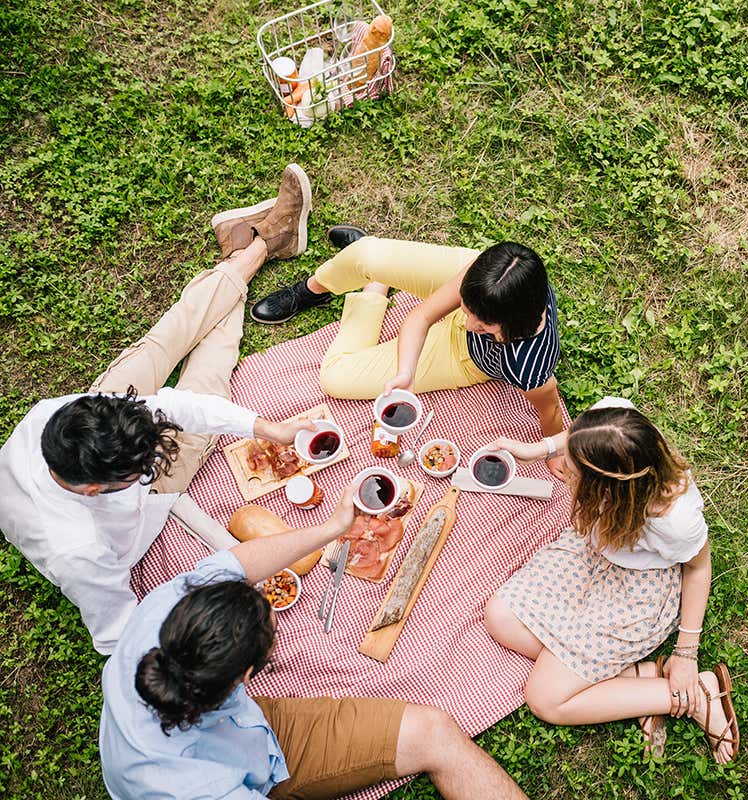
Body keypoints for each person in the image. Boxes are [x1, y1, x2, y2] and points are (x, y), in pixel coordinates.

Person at [0, 164, 317, 655]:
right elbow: (117, 635)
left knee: (164, 339)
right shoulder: (81, 552)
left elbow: (171, 404)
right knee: (212, 367)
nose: (160, 440)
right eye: (141, 465)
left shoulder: (56, 416)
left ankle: (255, 248)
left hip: (100, 449)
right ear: (95, 488)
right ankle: (256, 244)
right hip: (136, 514)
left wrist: (265, 427)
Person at [100, 483, 528, 800]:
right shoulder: (194, 790)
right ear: (246, 676)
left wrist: (331, 529)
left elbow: (239, 561)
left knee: (433, 731)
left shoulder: (164, 608)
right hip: (236, 773)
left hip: (241, 728)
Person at [482, 398, 739, 763]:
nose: (564, 474)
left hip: (636, 590)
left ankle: (690, 694)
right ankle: (638, 676)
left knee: (546, 699)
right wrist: (537, 449)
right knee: (501, 617)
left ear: (608, 490)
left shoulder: (673, 520)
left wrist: (686, 654)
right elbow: (579, 437)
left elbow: (698, 569)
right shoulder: (617, 422)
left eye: (573, 473)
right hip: (593, 555)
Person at [248, 229, 567, 477]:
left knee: (335, 377)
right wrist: (406, 371)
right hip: (486, 296)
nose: (467, 324)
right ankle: (313, 291)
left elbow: (550, 409)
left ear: (513, 327)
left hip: (465, 358)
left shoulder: (529, 365)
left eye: (483, 326)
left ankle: (374, 288)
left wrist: (552, 450)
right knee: (365, 254)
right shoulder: (495, 277)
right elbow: (422, 316)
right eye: (466, 311)